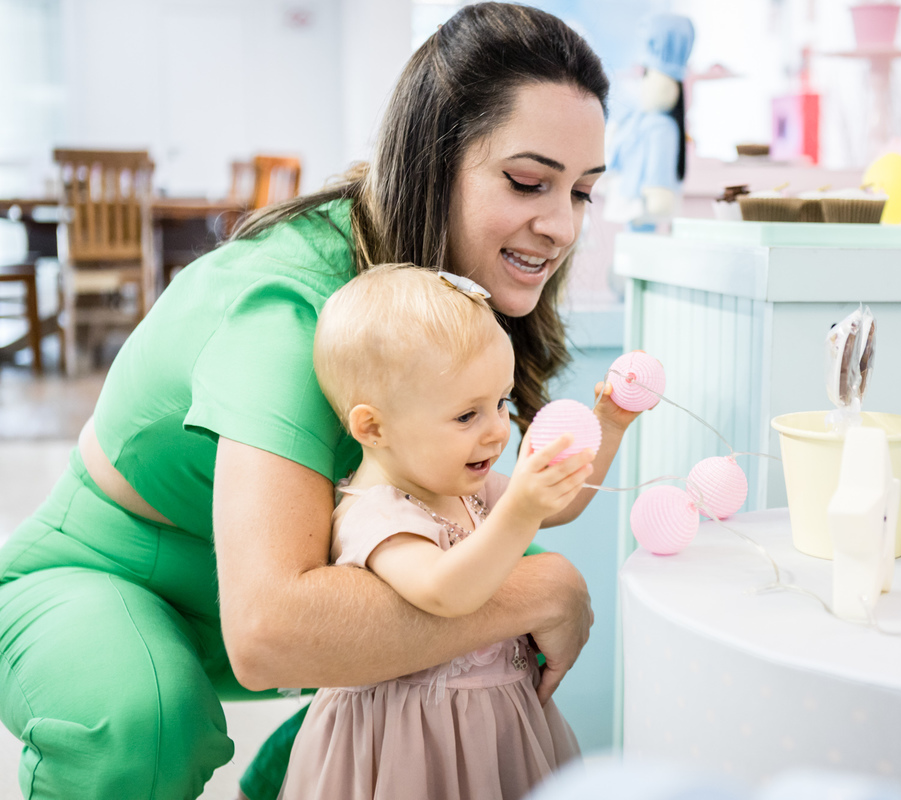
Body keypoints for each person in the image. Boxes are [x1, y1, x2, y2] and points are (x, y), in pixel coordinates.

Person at [0, 4, 618, 798]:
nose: (561, 224)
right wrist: (547, 587)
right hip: (116, 571)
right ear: (433, 161)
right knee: (146, 722)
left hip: (289, 566)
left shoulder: (441, 291)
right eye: (530, 182)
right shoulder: (290, 310)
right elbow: (268, 631)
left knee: (458, 636)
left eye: (583, 193)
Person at [279, 265, 621, 799]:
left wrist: (611, 422)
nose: (496, 429)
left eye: (501, 403)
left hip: (495, 729)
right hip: (412, 749)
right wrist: (520, 511)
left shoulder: (463, 487)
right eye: (467, 415)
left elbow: (566, 502)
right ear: (373, 427)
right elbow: (445, 590)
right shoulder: (377, 516)